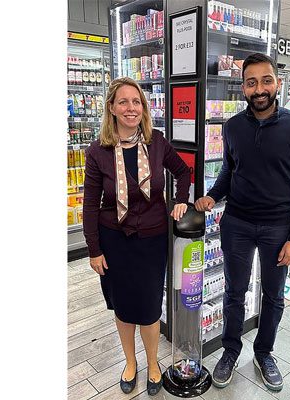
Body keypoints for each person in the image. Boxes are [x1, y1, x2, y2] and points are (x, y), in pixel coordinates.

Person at [194, 53, 290, 392]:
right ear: (243, 87)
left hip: (279, 228)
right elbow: (228, 170)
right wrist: (212, 196)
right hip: (236, 224)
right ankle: (230, 350)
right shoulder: (232, 126)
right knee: (234, 292)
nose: (259, 88)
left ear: (277, 83)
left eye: (266, 81)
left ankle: (264, 353)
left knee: (273, 295)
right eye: (251, 82)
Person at [83, 77, 191, 396]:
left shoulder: (156, 141)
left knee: (148, 308)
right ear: (112, 108)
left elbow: (183, 172)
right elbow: (90, 205)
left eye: (137, 102)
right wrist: (93, 250)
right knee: (123, 307)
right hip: (114, 241)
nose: (131, 108)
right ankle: (130, 363)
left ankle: (153, 364)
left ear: (143, 108)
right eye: (124, 102)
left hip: (153, 240)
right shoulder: (98, 152)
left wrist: (181, 198)